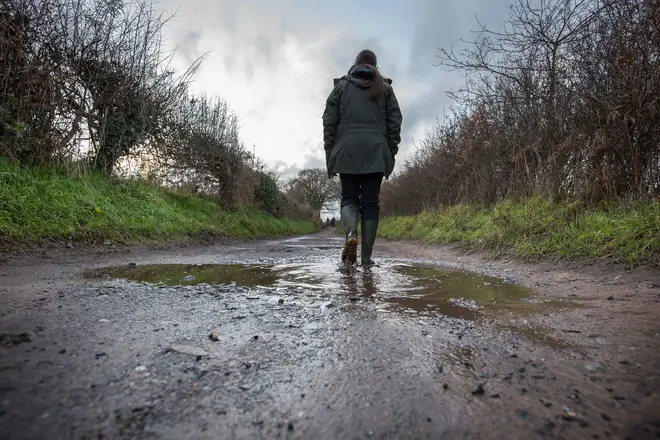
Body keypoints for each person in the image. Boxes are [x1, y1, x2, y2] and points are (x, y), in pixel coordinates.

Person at [322, 49, 403, 266]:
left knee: (349, 197)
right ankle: (366, 258)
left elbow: (329, 121)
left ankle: (350, 235)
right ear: (376, 65)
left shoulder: (341, 87)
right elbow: (395, 122)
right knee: (370, 203)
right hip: (376, 151)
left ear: (355, 63)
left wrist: (330, 150)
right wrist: (389, 150)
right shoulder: (385, 89)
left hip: (346, 150)